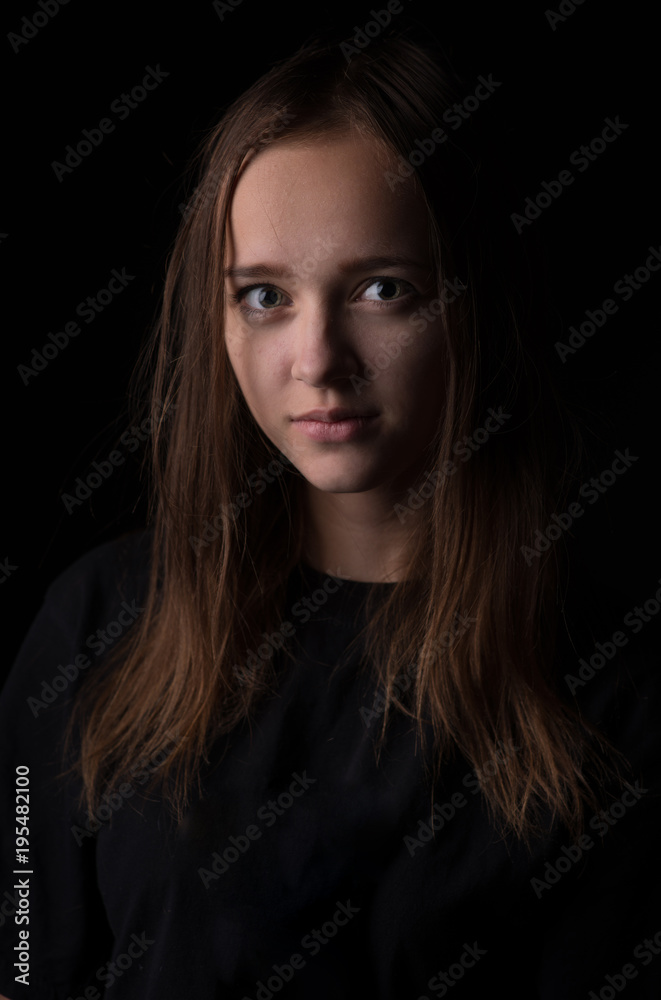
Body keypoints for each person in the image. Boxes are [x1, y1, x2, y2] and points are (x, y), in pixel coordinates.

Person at [1, 29, 659, 1000]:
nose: (317, 358)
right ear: (216, 320)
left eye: (381, 290)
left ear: (470, 307)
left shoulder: (611, 691)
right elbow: (20, 962)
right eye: (264, 296)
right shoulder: (94, 623)